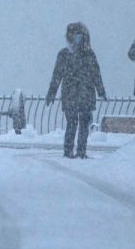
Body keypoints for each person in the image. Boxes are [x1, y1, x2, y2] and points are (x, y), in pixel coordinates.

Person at [46, 22, 107, 158]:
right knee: (72, 124)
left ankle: (81, 151)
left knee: (84, 124)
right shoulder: (64, 54)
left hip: (83, 94)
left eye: (79, 35)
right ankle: (68, 151)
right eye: (75, 35)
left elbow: (96, 74)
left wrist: (101, 91)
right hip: (71, 95)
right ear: (70, 37)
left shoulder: (89, 54)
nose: (77, 38)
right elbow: (57, 75)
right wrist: (51, 93)